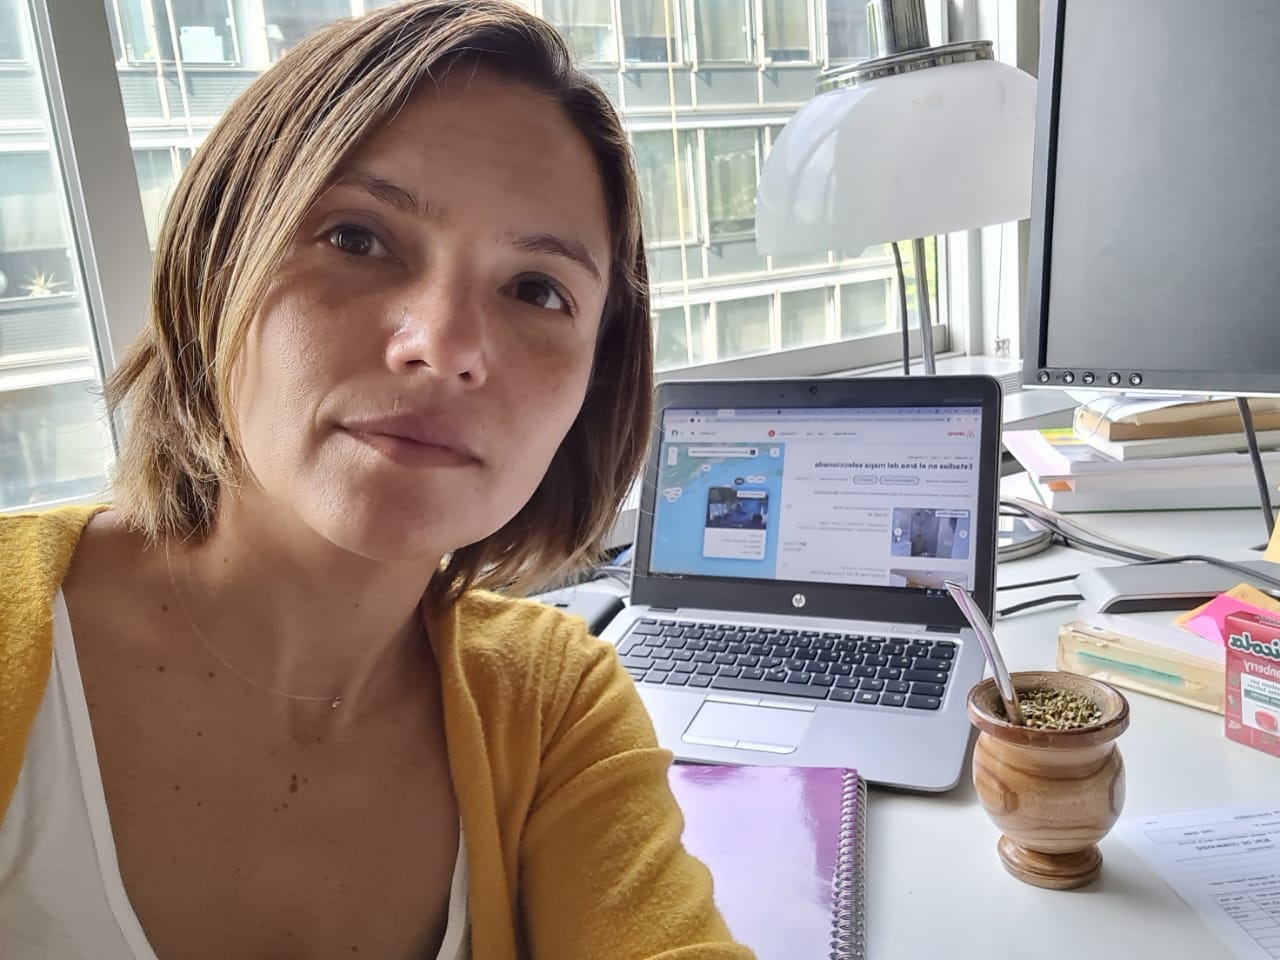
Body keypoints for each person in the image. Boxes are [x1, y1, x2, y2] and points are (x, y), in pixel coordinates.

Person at [0, 2, 754, 957]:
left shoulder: (555, 702)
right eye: (356, 237)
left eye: (536, 290)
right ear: (218, 262)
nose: (443, 345)